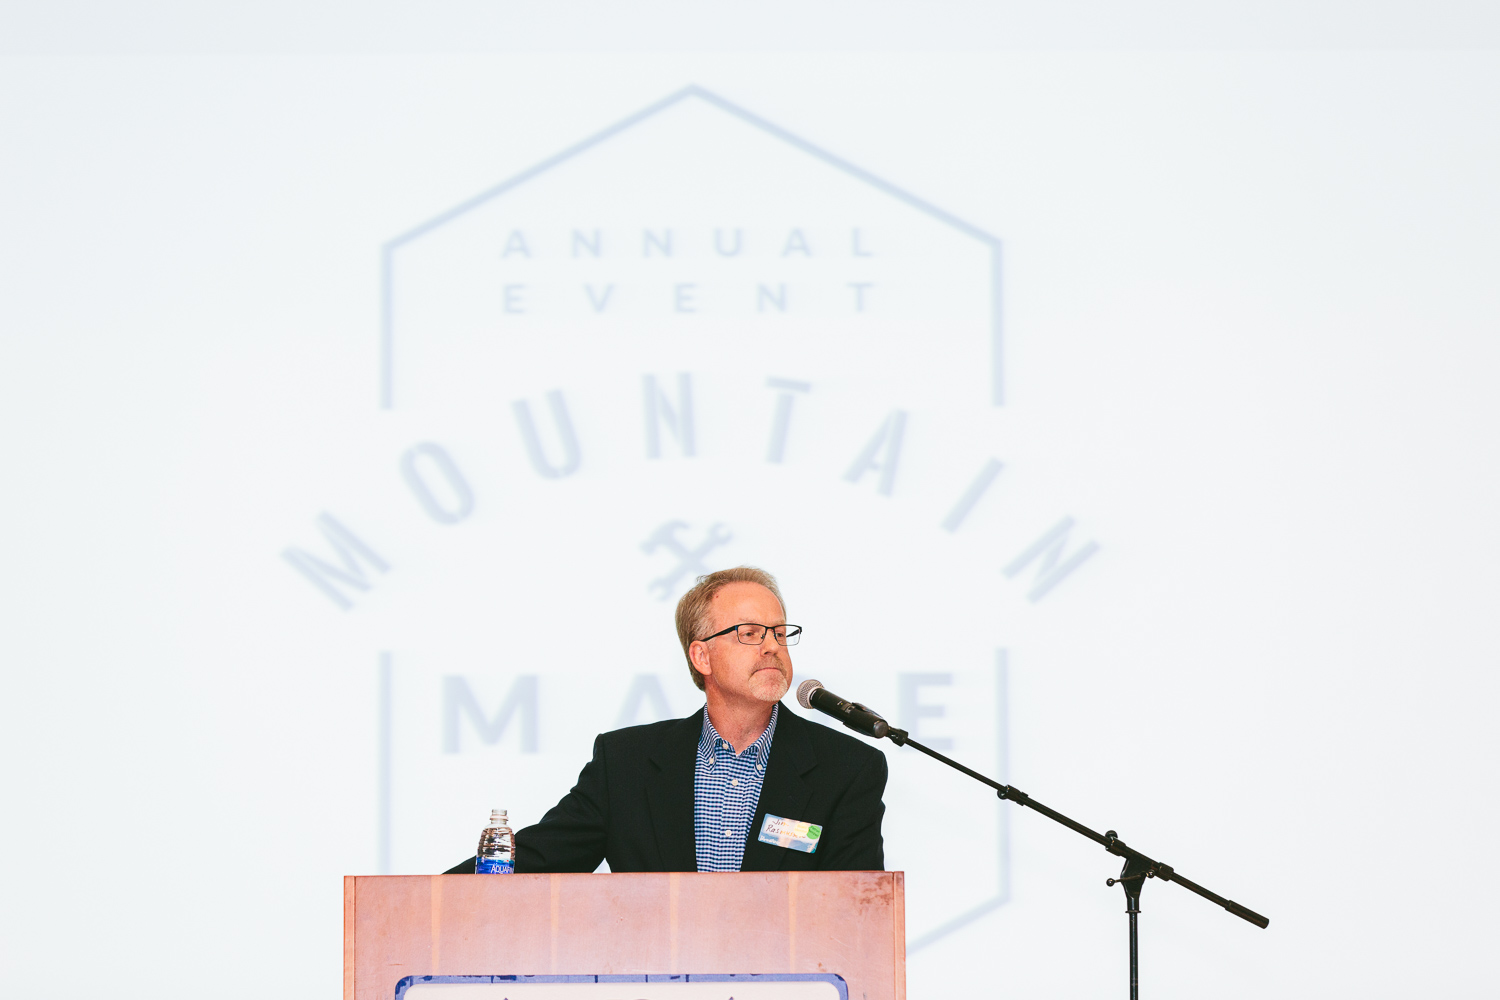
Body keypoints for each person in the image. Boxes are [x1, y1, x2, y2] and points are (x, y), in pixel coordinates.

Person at [447, 566, 887, 873]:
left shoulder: (847, 768)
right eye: (750, 634)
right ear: (701, 656)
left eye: (779, 632)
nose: (772, 646)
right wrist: (421, 902)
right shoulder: (626, 763)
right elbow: (541, 859)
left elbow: (859, 906)